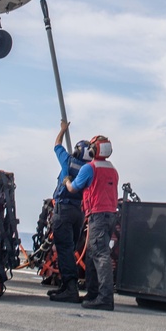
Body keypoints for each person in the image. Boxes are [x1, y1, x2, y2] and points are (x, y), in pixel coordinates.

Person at [64, 135, 118, 310]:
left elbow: (73, 188)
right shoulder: (112, 169)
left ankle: (104, 298)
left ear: (95, 150)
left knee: (100, 255)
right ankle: (93, 293)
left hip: (98, 215)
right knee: (92, 254)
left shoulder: (90, 168)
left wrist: (66, 180)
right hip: (110, 214)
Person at [48, 120, 92, 303]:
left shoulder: (68, 161)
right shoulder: (90, 169)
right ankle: (66, 286)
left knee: (64, 249)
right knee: (70, 248)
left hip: (64, 210)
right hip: (79, 213)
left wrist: (62, 130)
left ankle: (70, 289)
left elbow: (57, 145)